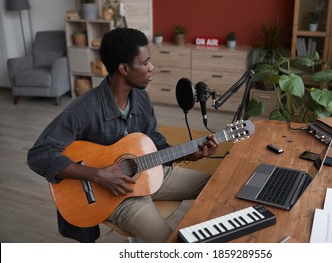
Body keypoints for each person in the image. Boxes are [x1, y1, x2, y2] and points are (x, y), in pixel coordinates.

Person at [27, 28, 219, 243]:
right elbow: (39, 155)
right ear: (124, 68)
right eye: (145, 63)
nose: (151, 67)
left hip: (151, 173)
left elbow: (155, 145)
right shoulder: (83, 109)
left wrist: (190, 155)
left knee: (219, 185)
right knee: (173, 244)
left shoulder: (142, 99)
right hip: (117, 198)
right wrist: (97, 174)